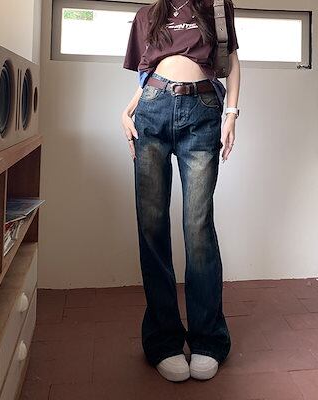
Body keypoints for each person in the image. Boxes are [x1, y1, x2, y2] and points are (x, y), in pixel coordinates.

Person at [120, 0, 240, 382]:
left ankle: (208, 340)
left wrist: (231, 115)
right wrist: (127, 110)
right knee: (152, 227)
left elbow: (232, 61)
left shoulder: (215, 6)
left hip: (203, 111)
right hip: (152, 111)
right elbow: (147, 74)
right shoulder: (147, 15)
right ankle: (163, 341)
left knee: (198, 227)